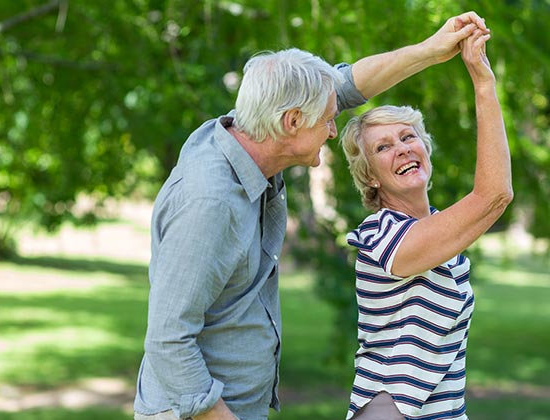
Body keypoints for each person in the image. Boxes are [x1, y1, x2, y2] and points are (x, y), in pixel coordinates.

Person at [133, 11, 491, 420]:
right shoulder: (210, 201)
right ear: (292, 122)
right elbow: (168, 340)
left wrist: (430, 50)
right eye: (327, 120)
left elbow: (346, 85)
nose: (333, 130)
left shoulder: (254, 128)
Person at [338, 23, 512, 420]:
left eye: (407, 137)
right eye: (383, 147)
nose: (401, 149)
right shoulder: (379, 237)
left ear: (425, 149)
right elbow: (494, 195)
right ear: (370, 176)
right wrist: (483, 83)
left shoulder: (443, 236)